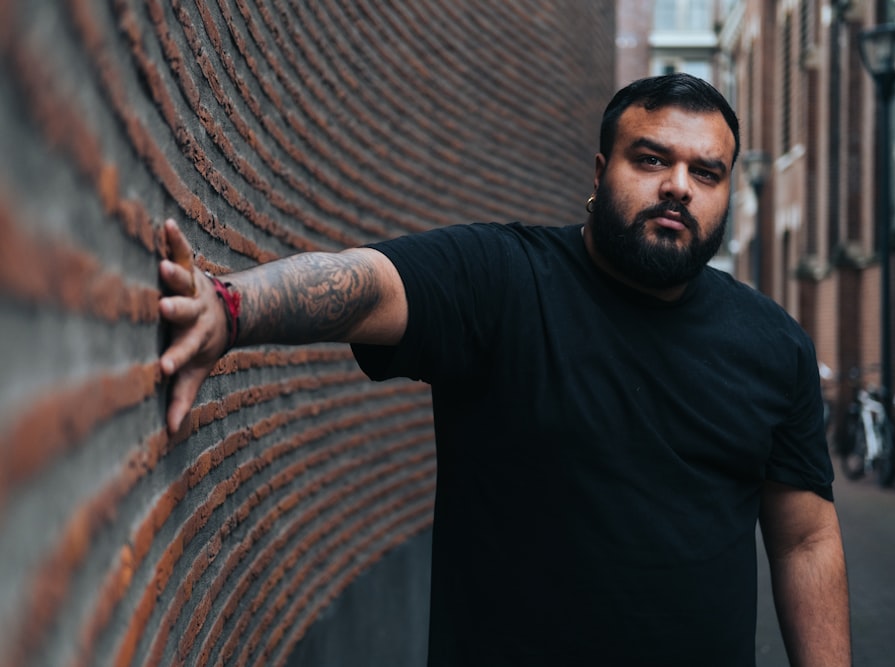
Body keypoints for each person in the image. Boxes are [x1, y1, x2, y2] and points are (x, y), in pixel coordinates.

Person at [159, 73, 851, 666]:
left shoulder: (772, 344)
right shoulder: (505, 279)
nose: (678, 186)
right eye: (650, 159)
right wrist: (234, 306)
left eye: (706, 173)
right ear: (600, 169)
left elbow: (804, 537)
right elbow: (366, 284)